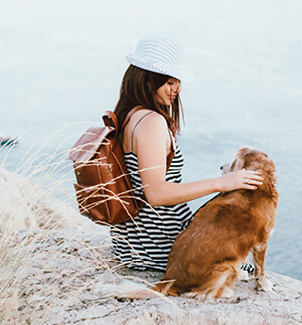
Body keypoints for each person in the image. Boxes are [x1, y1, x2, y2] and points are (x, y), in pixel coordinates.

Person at [110, 37, 264, 272]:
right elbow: (156, 194)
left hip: (132, 244)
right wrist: (222, 183)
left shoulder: (128, 115)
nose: (177, 89)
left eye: (178, 81)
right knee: (240, 218)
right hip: (159, 248)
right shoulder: (151, 122)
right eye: (170, 82)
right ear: (148, 81)